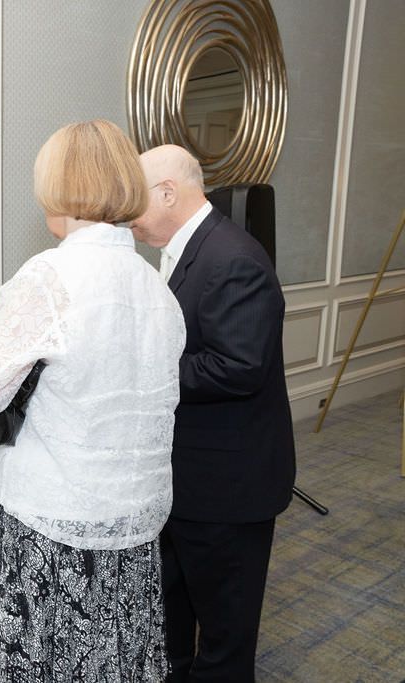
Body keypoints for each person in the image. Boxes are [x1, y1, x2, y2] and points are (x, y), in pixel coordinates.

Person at [0, 120, 186, 681]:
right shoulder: (156, 287)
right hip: (132, 521)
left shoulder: (50, 277)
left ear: (62, 187)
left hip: (51, 523)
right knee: (112, 659)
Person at [130, 144, 296, 682]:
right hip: (184, 479)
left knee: (225, 639)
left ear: (167, 194)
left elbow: (238, 367)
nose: (127, 211)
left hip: (228, 487)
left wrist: (138, 374)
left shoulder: (234, 259)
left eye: (135, 197)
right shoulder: (184, 251)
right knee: (173, 616)